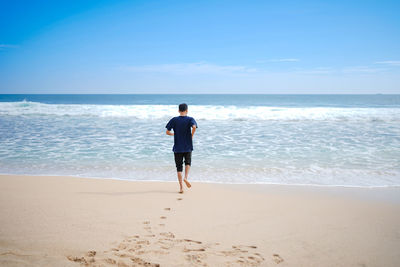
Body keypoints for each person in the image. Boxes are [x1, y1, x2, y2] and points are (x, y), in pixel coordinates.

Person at [166, 103, 197, 193]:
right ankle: (186, 178)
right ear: (187, 110)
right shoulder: (190, 119)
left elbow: (167, 132)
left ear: (179, 110)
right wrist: (191, 135)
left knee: (179, 167)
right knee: (188, 163)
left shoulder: (174, 120)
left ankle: (181, 188)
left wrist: (173, 134)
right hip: (187, 146)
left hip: (177, 147)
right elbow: (194, 127)